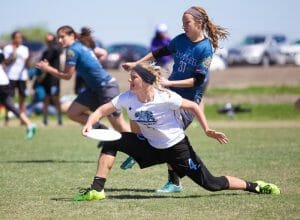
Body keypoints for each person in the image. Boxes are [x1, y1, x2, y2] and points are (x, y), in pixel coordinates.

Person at [73, 62, 280, 201]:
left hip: (177, 148)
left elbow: (194, 106)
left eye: (133, 77)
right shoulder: (128, 97)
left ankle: (255, 186)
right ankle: (97, 189)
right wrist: (90, 123)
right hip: (150, 147)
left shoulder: (166, 97)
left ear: (145, 80)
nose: (129, 81)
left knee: (212, 184)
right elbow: (102, 110)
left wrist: (207, 129)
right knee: (112, 140)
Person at [122, 6, 229, 193]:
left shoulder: (205, 48)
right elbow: (158, 53)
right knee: (136, 107)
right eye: (182, 23)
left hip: (187, 102)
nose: (183, 26)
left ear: (199, 23)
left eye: (187, 23)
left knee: (169, 137)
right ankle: (138, 143)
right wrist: (137, 64)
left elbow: (198, 80)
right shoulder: (180, 40)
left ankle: (174, 182)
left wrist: (169, 83)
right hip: (169, 94)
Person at [35, 25, 130, 132]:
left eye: (62, 37)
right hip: (93, 89)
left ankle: (140, 145)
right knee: (72, 113)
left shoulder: (72, 50)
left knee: (120, 126)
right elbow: (102, 53)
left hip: (106, 88)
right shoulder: (81, 45)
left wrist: (47, 68)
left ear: (72, 36)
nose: (60, 40)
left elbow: (67, 76)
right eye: (58, 38)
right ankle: (103, 130)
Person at [0, 50, 36, 139]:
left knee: (10, 105)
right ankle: (29, 124)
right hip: (4, 81)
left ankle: (29, 124)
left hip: (1, 83)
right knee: (10, 106)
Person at [3, 31, 30, 125]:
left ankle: (22, 120)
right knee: (9, 98)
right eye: (17, 38)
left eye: (20, 38)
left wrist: (29, 61)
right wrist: (13, 53)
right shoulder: (7, 48)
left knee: (22, 98)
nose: (19, 40)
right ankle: (7, 119)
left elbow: (27, 64)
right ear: (13, 39)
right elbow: (5, 63)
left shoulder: (25, 49)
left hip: (22, 77)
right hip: (10, 76)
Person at [38, 33, 63, 126]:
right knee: (46, 99)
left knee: (55, 99)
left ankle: (60, 120)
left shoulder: (56, 50)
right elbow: (41, 65)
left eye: (51, 41)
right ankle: (45, 120)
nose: (49, 43)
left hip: (55, 79)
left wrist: (55, 42)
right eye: (48, 41)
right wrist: (39, 76)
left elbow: (60, 50)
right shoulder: (45, 52)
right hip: (46, 79)